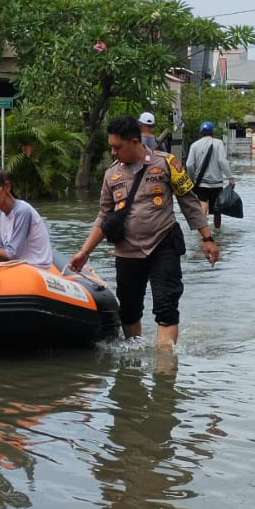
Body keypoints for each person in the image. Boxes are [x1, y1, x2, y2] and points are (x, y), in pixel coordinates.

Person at [69, 114, 218, 350]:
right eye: (111, 147)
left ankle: (165, 368)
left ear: (135, 142)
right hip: (127, 252)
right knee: (128, 311)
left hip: (163, 244)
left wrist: (207, 238)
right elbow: (103, 216)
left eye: (118, 147)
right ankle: (134, 364)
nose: (114, 152)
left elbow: (189, 202)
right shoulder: (111, 175)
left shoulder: (167, 163)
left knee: (166, 306)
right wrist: (84, 251)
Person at [0, 168, 55, 268]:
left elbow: (11, 254)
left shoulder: (22, 211)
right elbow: (1, 249)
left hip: (35, 268)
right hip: (18, 267)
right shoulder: (3, 214)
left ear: (7, 187)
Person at [185, 120, 235, 230]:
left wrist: (192, 179)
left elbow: (189, 165)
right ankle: (217, 232)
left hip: (201, 183)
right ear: (212, 132)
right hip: (216, 183)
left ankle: (202, 231)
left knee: (203, 204)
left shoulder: (194, 145)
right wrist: (230, 177)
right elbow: (222, 161)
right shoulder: (218, 143)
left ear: (201, 132)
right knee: (217, 210)